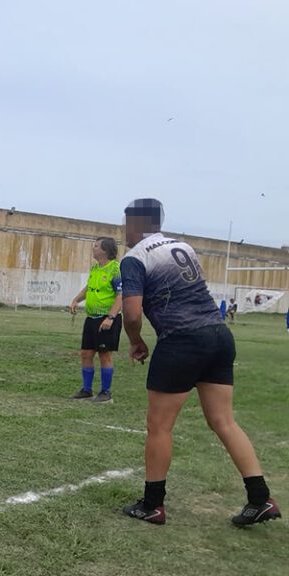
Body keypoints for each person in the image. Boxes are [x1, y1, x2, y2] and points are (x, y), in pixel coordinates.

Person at [119, 198, 280, 526]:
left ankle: (152, 504)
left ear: (137, 223)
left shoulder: (135, 257)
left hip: (182, 339)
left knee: (159, 426)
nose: (123, 230)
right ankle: (260, 498)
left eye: (125, 223)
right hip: (218, 335)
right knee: (224, 421)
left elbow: (132, 312)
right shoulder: (183, 246)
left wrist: (136, 341)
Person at [69, 237, 123, 403]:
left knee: (104, 355)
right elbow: (89, 287)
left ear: (105, 250)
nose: (93, 249)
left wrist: (110, 317)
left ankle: (105, 393)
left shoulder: (115, 270)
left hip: (107, 319)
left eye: (96, 246)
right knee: (86, 353)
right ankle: (87, 390)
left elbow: (121, 296)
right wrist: (77, 299)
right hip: (91, 318)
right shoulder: (95, 268)